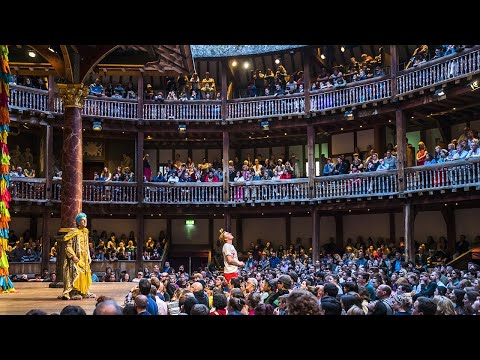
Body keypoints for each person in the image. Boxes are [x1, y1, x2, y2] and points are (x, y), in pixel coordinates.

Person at [59, 213, 96, 300]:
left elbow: (86, 245)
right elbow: (67, 246)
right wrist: (73, 256)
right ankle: (74, 292)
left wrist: (89, 256)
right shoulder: (74, 232)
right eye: (82, 220)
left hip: (84, 258)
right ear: (78, 222)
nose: (84, 222)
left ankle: (84, 291)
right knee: (76, 274)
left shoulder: (85, 232)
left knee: (85, 274)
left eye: (85, 220)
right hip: (77, 258)